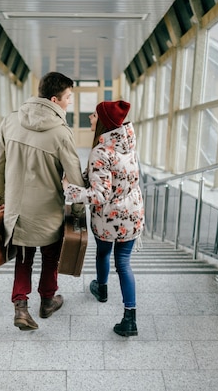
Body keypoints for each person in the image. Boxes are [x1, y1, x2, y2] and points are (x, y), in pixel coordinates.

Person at [0, 71, 85, 331]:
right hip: (47, 211)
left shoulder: (10, 121)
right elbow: (76, 178)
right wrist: (78, 210)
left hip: (17, 210)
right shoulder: (61, 134)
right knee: (50, 257)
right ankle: (47, 300)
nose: (70, 102)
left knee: (23, 257)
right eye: (68, 97)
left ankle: (21, 306)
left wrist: (0, 198)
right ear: (55, 99)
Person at [63, 100, 144, 336]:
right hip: (132, 214)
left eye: (95, 115)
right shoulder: (128, 145)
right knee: (124, 263)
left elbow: (100, 194)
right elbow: (115, 179)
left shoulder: (101, 151)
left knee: (103, 253)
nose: (90, 118)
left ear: (104, 122)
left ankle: (102, 288)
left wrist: (70, 190)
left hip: (108, 218)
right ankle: (130, 318)